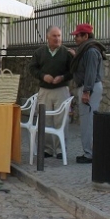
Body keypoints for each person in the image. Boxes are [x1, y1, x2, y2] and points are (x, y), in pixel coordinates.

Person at [28, 26, 73, 159]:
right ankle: (46, 149)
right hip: (45, 90)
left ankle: (60, 150)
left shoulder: (66, 53)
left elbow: (72, 71)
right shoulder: (39, 52)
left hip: (61, 90)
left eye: (59, 35)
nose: (57, 38)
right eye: (54, 36)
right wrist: (43, 76)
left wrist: (62, 77)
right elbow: (32, 68)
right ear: (48, 37)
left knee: (62, 120)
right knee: (44, 119)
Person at [70, 23, 106, 164]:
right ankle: (89, 151)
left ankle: (89, 154)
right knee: (87, 120)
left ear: (85, 36)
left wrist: (86, 91)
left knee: (88, 121)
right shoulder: (88, 50)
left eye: (77, 36)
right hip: (89, 87)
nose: (75, 39)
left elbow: (90, 73)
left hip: (89, 88)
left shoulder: (90, 51)